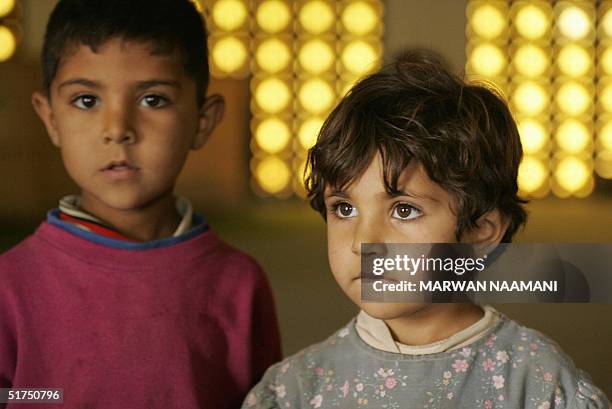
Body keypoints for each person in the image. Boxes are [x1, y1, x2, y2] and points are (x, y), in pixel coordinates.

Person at [241, 50, 610, 409]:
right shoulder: (296, 389)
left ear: (481, 231)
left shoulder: (539, 384)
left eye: (404, 210)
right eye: (345, 208)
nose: (364, 242)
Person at [0, 1, 281, 408]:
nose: (117, 129)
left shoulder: (239, 284)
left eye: (153, 100)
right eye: (85, 100)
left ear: (202, 121)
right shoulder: (11, 285)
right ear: (50, 119)